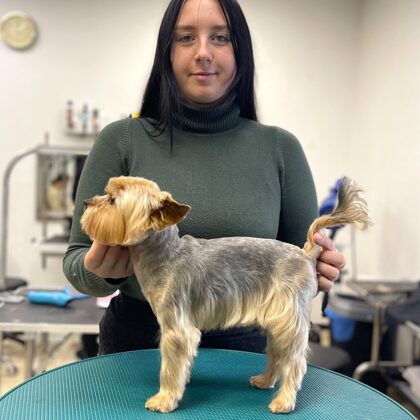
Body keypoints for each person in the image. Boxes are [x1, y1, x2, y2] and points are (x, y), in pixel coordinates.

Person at [63, 0, 345, 355]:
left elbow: (300, 261)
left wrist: (320, 269)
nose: (203, 53)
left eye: (220, 37)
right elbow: (76, 260)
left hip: (249, 351)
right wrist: (102, 272)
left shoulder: (281, 149)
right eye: (185, 38)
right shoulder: (121, 140)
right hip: (140, 347)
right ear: (167, 52)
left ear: (240, 51)